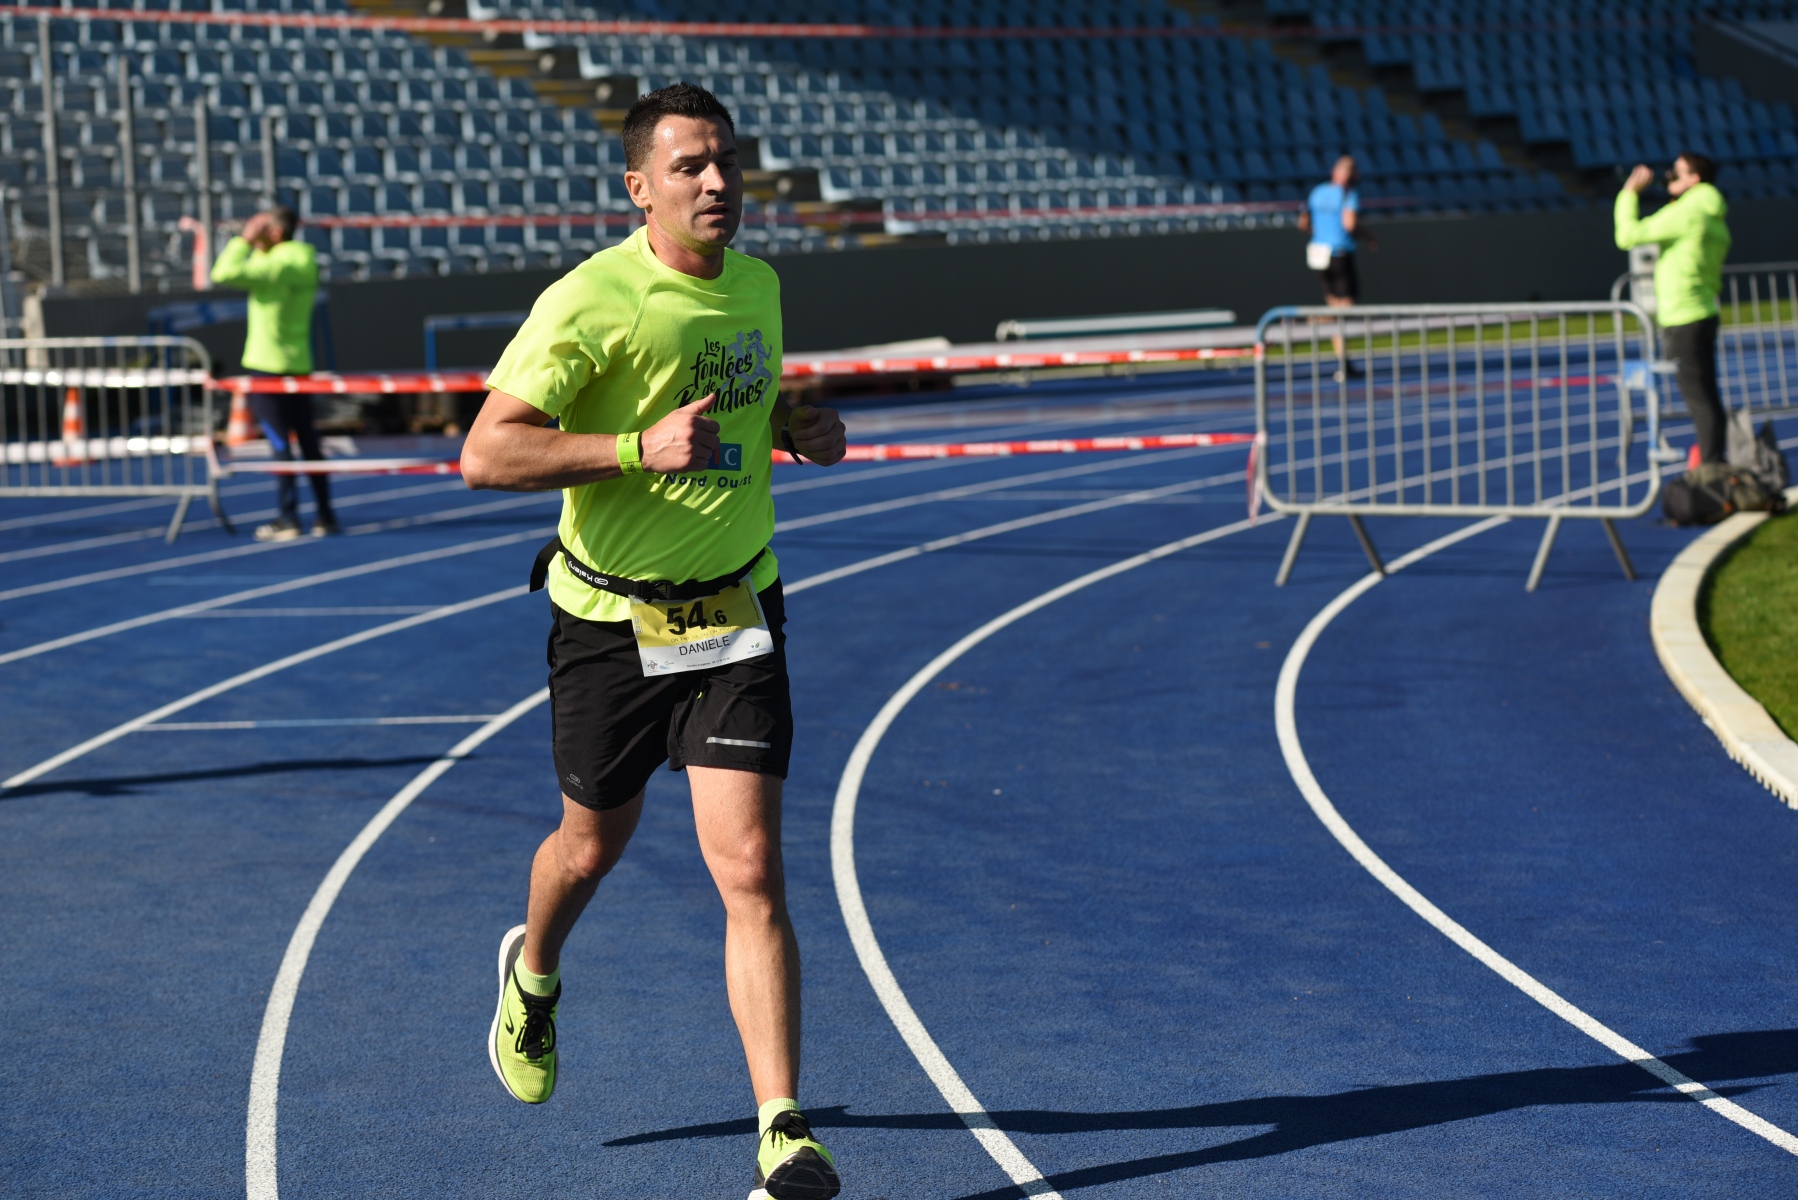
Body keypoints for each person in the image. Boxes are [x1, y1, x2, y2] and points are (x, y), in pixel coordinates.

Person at [460, 82, 848, 1200]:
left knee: (753, 869)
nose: (718, 182)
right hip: (610, 625)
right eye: (690, 166)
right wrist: (634, 447)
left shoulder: (760, 286)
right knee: (590, 848)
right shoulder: (591, 299)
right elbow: (486, 454)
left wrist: (797, 427)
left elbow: (740, 414)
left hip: (735, 611)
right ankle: (533, 974)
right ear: (640, 187)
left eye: (727, 161)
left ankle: (782, 1131)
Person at [210, 206, 336, 540]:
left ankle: (288, 517)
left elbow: (222, 272)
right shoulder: (304, 259)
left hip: (266, 366)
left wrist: (244, 240)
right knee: (308, 442)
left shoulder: (273, 265)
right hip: (299, 363)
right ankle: (325, 515)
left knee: (280, 443)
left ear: (275, 233)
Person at [1616, 151, 1732, 463]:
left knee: (1699, 400)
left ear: (1694, 179)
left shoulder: (1688, 212)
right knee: (1708, 396)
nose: (1668, 176)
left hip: (1683, 317)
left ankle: (1710, 468)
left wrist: (1628, 194)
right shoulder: (1712, 213)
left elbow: (1628, 236)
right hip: (1704, 311)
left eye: (1676, 173)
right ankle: (1714, 462)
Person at [1299, 154, 1366, 378]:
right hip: (1339, 252)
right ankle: (1313, 320)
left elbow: (1303, 222)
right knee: (1344, 309)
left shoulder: (1317, 192)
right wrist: (1368, 236)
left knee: (1335, 305)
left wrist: (1320, 235)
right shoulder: (1348, 194)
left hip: (1318, 252)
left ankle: (1343, 363)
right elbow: (1350, 224)